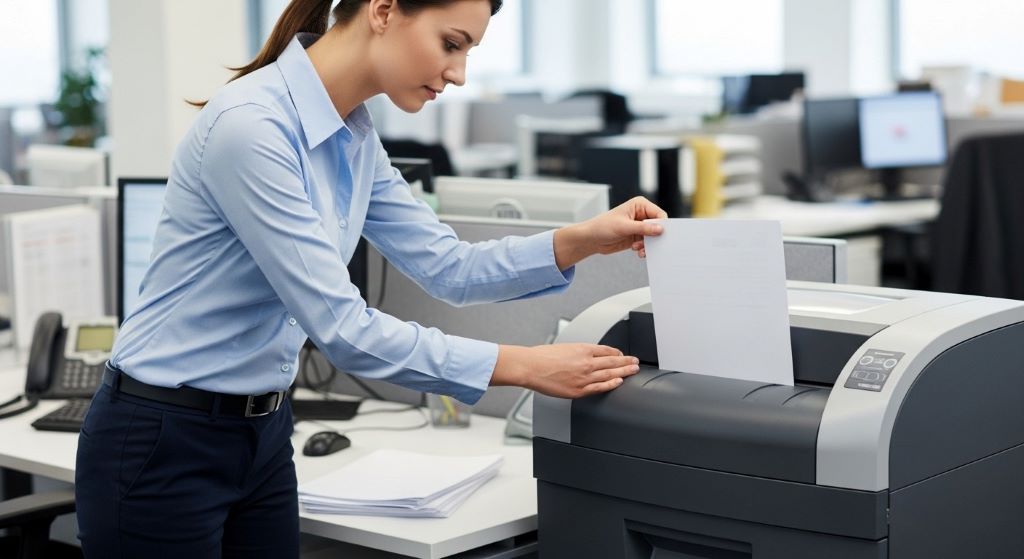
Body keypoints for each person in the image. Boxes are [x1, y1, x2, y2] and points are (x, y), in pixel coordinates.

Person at [75, 0, 667, 556]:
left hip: (261, 433)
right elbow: (342, 328)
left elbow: (448, 266)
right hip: (163, 437)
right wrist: (526, 366)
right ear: (383, 10)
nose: (459, 73)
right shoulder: (252, 127)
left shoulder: (352, 135)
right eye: (451, 44)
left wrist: (584, 239)